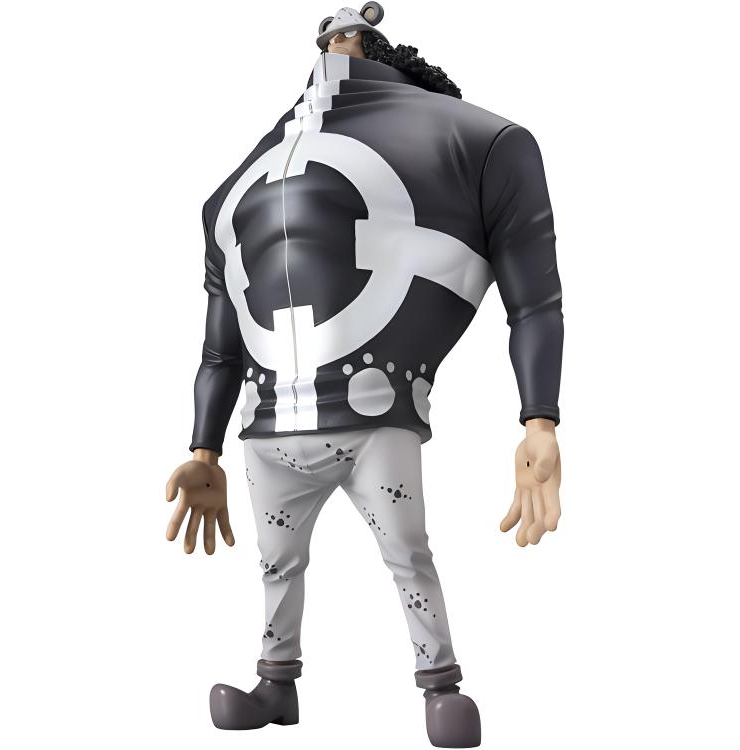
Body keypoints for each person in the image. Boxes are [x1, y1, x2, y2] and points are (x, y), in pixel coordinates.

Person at [164, 4, 563, 747]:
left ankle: (440, 686)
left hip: (373, 417)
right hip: (268, 428)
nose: (332, 45)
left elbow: (534, 302)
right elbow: (219, 349)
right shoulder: (231, 193)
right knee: (278, 566)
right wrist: (203, 450)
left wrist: (540, 419)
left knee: (406, 558)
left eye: (348, 34)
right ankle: (276, 683)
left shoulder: (477, 141)